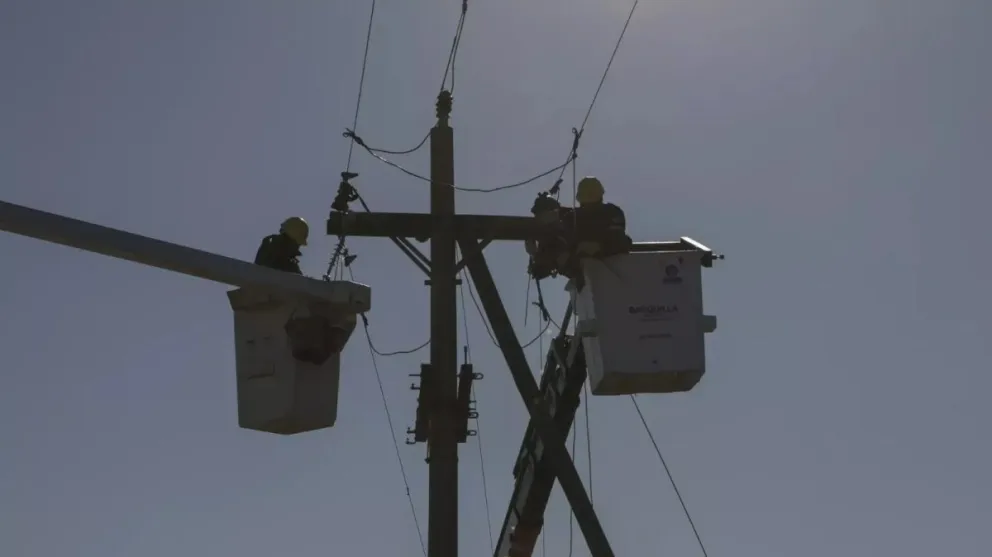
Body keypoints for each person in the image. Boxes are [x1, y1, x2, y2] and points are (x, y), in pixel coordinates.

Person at [554, 176, 632, 279]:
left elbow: (622, 241)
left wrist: (598, 247)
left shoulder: (612, 213)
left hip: (611, 273)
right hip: (591, 275)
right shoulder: (573, 218)